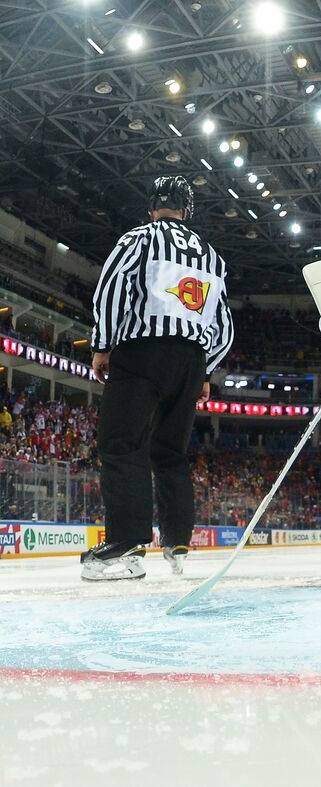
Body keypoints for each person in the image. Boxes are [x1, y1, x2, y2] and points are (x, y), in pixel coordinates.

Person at [81, 176, 235, 580]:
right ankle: (177, 540)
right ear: (187, 210)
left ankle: (125, 545)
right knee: (170, 452)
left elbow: (112, 288)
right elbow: (224, 323)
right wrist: (206, 368)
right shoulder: (211, 256)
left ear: (153, 207)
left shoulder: (140, 238)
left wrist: (102, 343)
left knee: (121, 444)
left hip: (142, 353)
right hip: (189, 362)